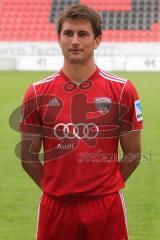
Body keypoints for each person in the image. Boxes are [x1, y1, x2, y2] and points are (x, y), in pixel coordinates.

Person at [19, 3, 143, 240]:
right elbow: (28, 157)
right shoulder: (37, 93)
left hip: (106, 206)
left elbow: (133, 155)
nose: (75, 40)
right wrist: (55, 188)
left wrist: (104, 188)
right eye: (68, 33)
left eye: (83, 34)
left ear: (97, 40)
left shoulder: (122, 91)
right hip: (55, 207)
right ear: (58, 39)